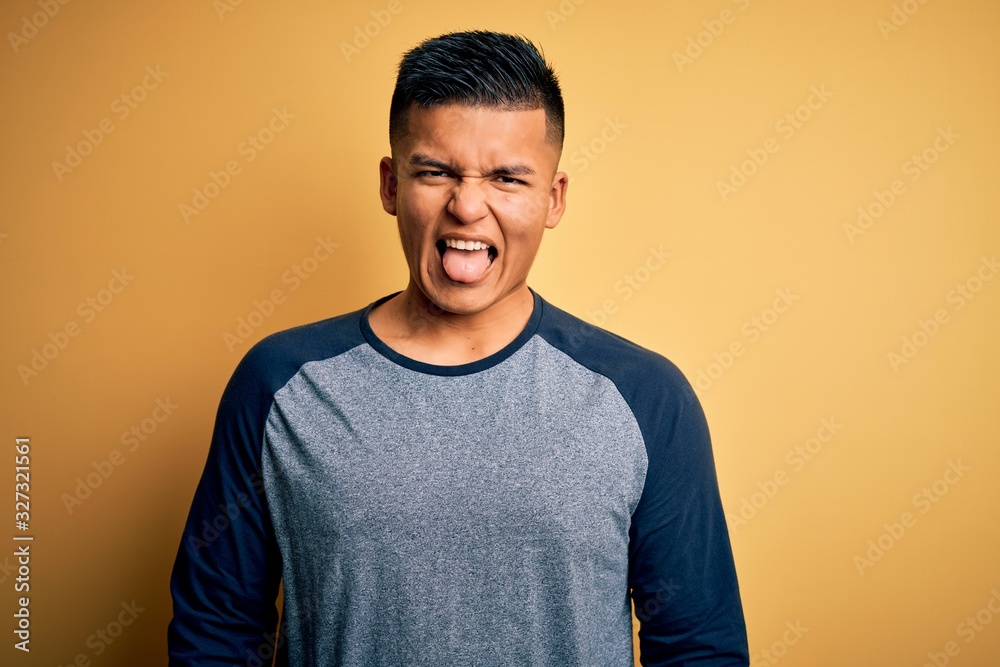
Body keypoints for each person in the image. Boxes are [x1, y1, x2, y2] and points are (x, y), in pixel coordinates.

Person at [168, 30, 749, 666]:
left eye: (507, 178)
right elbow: (216, 632)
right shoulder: (278, 384)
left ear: (552, 200)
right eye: (436, 171)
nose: (467, 205)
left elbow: (699, 647)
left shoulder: (645, 397)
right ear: (391, 186)